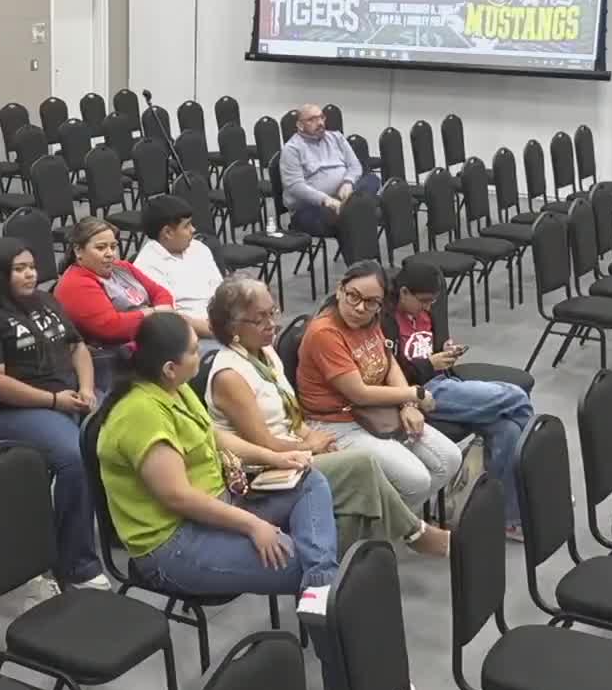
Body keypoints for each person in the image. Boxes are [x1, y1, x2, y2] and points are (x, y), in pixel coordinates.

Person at [97, 311, 339, 612]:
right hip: (173, 543)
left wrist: (276, 457)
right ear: (170, 368)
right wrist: (253, 525)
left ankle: (320, 591)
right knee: (303, 562)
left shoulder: (174, 387)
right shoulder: (140, 414)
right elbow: (178, 497)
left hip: (217, 505)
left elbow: (212, 434)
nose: (202, 354)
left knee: (309, 481)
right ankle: (322, 595)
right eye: (194, 350)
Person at [205, 278, 448, 556]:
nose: (272, 324)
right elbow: (263, 444)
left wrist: (312, 437)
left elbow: (290, 414)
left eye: (273, 312)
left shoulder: (265, 352)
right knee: (361, 467)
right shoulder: (230, 376)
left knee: (358, 492)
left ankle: (350, 563)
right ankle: (413, 534)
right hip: (262, 473)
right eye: (260, 319)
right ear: (233, 327)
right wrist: (308, 445)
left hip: (294, 451)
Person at [0, 237, 108, 594]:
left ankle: (115, 530)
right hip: (4, 411)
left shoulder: (45, 301)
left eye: (32, 267)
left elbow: (77, 347)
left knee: (122, 426)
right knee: (74, 457)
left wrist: (87, 388)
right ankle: (75, 563)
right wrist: (54, 401)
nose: (30, 274)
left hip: (65, 397)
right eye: (19, 269)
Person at [295, 261, 465, 511]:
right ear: (340, 289)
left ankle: (393, 521)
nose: (360, 308)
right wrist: (414, 393)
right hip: (336, 423)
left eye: (372, 302)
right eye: (353, 296)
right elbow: (359, 394)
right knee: (416, 480)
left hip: (376, 412)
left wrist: (408, 405)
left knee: (450, 458)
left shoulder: (370, 320)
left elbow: (389, 362)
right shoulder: (325, 332)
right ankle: (390, 526)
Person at [384, 260, 535, 539]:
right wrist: (429, 364)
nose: (428, 307)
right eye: (423, 301)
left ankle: (508, 518)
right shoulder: (385, 320)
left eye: (432, 302)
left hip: (444, 382)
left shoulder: (425, 313)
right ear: (403, 292)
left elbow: (434, 345)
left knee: (508, 429)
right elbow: (388, 374)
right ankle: (538, 479)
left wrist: (446, 351)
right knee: (516, 397)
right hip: (419, 393)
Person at [53, 216, 175, 387]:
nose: (110, 253)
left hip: (150, 340)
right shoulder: (75, 284)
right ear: (78, 251)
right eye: (101, 247)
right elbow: (112, 327)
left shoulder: (123, 267)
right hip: (114, 360)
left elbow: (161, 293)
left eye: (113, 246)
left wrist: (156, 313)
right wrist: (154, 312)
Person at [131, 195, 222, 343]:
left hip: (223, 324)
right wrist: (223, 331)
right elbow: (172, 319)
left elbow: (220, 290)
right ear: (168, 233)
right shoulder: (146, 266)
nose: (193, 229)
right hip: (191, 338)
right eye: (186, 226)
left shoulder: (199, 248)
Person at [279, 103, 380, 234]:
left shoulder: (336, 138)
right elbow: (295, 187)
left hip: (344, 197)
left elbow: (355, 166)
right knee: (357, 214)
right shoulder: (292, 149)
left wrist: (348, 182)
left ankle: (350, 210)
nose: (320, 123)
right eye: (312, 119)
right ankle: (355, 211)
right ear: (300, 125)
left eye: (322, 117)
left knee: (372, 179)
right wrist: (326, 200)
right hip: (312, 207)